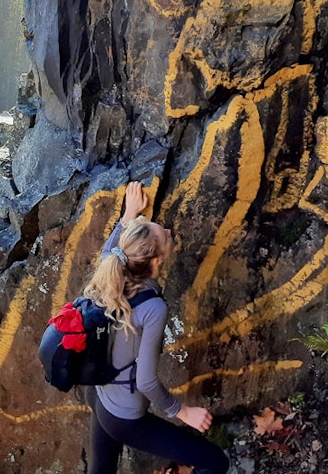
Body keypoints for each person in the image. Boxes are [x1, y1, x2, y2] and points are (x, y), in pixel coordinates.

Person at [83, 180, 229, 474]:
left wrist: (129, 215)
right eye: (164, 235)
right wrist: (184, 412)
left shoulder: (110, 272)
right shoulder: (153, 308)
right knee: (215, 463)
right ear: (157, 261)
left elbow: (112, 250)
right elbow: (146, 380)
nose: (169, 232)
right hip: (124, 415)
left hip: (98, 394)